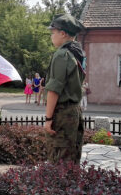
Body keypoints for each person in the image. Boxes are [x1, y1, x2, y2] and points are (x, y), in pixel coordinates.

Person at [44, 14, 86, 164]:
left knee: (59, 160)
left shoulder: (62, 54)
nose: (51, 36)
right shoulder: (78, 53)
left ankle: (61, 188)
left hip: (62, 113)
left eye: (53, 32)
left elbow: (54, 90)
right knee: (72, 158)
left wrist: (48, 119)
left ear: (63, 33)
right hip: (74, 111)